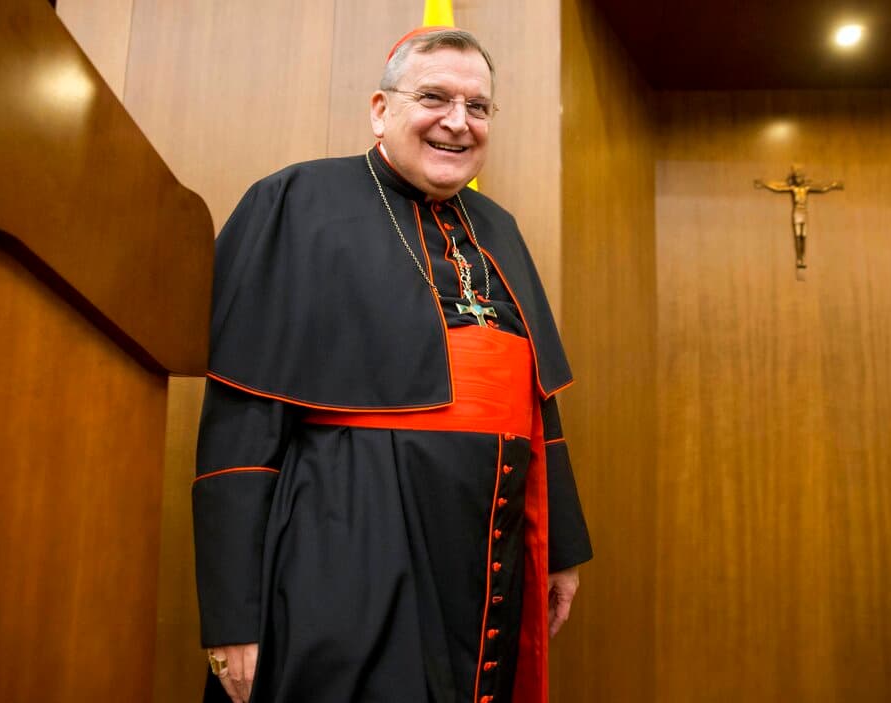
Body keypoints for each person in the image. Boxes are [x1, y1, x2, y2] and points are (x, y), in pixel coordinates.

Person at [193, 27, 592, 703]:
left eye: (478, 106)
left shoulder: (498, 227)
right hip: (347, 540)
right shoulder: (293, 203)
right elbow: (240, 424)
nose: (457, 122)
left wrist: (560, 550)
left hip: (479, 549)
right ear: (381, 109)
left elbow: (536, 404)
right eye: (434, 96)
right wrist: (233, 615)